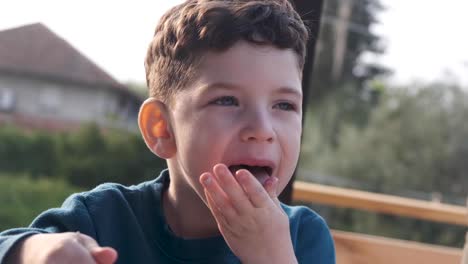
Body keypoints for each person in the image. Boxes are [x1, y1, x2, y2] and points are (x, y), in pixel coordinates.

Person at [0, 0, 336, 263]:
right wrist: (36, 252)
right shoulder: (103, 218)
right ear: (161, 128)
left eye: (284, 105)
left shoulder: (303, 237)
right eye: (227, 100)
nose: (262, 130)